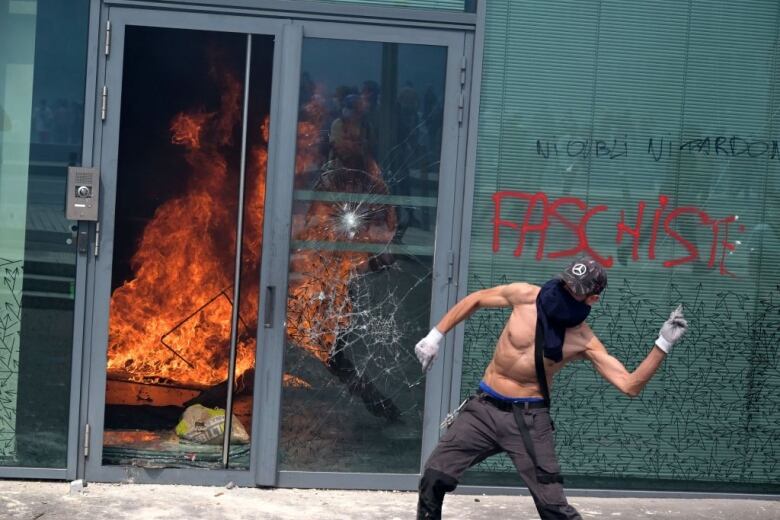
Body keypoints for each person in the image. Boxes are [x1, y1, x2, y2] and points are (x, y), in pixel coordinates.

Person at [414, 256, 688, 519]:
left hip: (529, 421)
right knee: (434, 478)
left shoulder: (583, 339)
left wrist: (662, 344)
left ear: (592, 298)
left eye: (575, 290)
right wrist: (434, 336)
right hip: (484, 408)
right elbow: (477, 298)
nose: (566, 290)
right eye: (566, 282)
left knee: (553, 508)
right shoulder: (525, 295)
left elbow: (629, 385)